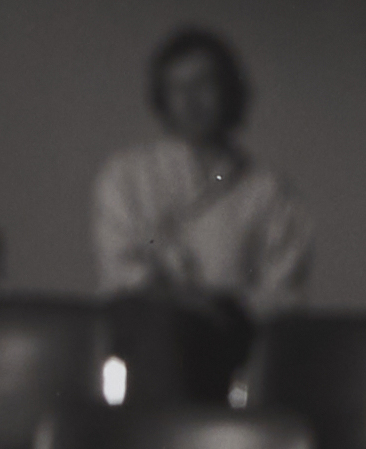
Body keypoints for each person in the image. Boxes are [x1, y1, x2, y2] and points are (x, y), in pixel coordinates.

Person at [91, 26, 310, 398]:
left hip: (233, 335)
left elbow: (280, 289)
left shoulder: (268, 190)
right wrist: (180, 300)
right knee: (161, 334)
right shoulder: (126, 175)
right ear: (162, 98)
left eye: (204, 84)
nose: (192, 100)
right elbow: (122, 268)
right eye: (178, 88)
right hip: (149, 328)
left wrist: (225, 309)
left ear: (229, 92)